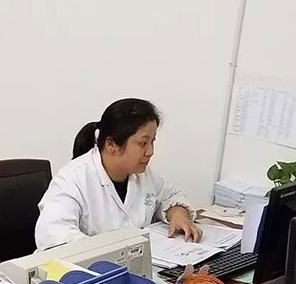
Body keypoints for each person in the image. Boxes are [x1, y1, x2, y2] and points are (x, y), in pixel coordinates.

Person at [35, 98, 201, 249]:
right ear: (111, 144)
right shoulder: (71, 180)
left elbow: (170, 196)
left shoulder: (144, 174)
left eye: (152, 141)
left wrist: (179, 215)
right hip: (90, 268)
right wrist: (110, 253)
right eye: (143, 143)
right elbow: (55, 237)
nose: (150, 151)